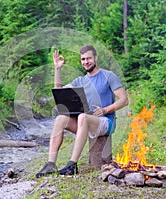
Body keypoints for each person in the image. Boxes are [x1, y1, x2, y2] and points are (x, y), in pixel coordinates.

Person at [36, 45, 129, 178]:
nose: (86, 62)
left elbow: (124, 100)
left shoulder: (108, 76)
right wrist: (57, 69)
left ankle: (72, 165)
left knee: (82, 117)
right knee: (60, 119)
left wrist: (105, 110)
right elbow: (59, 91)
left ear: (95, 58)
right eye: (83, 59)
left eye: (89, 58)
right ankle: (51, 163)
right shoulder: (80, 81)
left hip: (105, 121)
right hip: (84, 122)